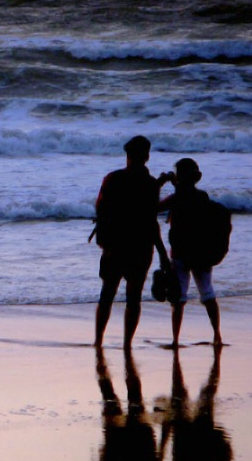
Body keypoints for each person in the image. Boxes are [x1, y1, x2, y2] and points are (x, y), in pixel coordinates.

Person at [93, 135, 169, 348]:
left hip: (114, 246)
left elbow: (101, 211)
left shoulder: (112, 179)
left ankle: (98, 341)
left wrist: (104, 244)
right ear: (146, 156)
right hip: (140, 247)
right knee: (133, 299)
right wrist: (163, 254)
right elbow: (151, 220)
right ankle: (127, 344)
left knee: (107, 294)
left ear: (127, 155)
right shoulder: (149, 184)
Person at [158, 158, 223, 347]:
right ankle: (217, 335)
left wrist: (161, 184)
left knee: (178, 300)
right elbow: (188, 194)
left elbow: (155, 207)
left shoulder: (176, 197)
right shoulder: (202, 196)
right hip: (201, 253)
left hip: (179, 253)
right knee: (208, 294)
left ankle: (175, 339)